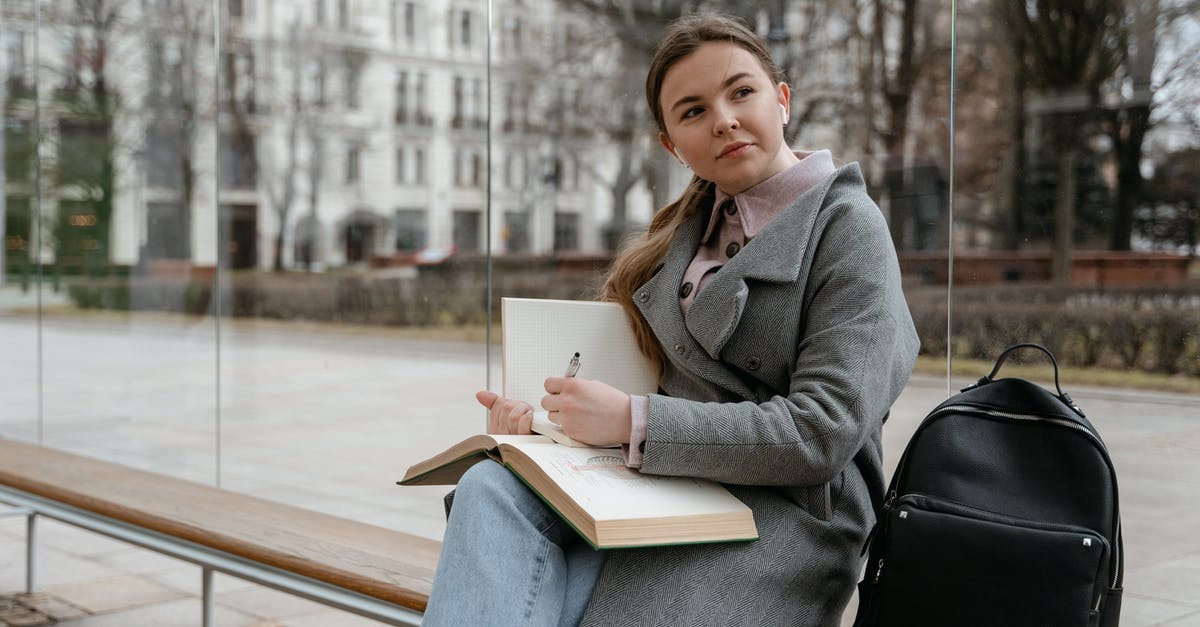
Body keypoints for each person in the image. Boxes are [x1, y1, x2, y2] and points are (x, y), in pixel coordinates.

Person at [422, 13, 920, 627]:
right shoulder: (680, 234)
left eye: (742, 92)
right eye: (692, 111)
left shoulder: (848, 229)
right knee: (490, 492)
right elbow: (631, 382)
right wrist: (544, 426)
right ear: (671, 144)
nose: (724, 120)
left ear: (782, 99)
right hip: (660, 487)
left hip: (781, 517)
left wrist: (634, 421)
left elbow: (820, 434)